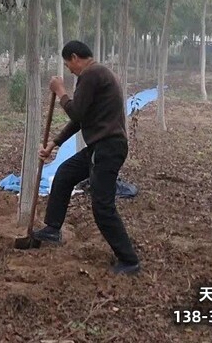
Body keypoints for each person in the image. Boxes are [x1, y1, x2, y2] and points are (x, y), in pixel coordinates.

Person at [33, 40, 140, 275]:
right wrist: (54, 143)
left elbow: (76, 112)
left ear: (74, 57)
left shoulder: (91, 74)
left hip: (107, 148)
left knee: (102, 206)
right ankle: (52, 228)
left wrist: (60, 92)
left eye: (67, 64)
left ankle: (129, 260)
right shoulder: (97, 74)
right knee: (64, 174)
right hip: (100, 146)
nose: (69, 70)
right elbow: (82, 119)